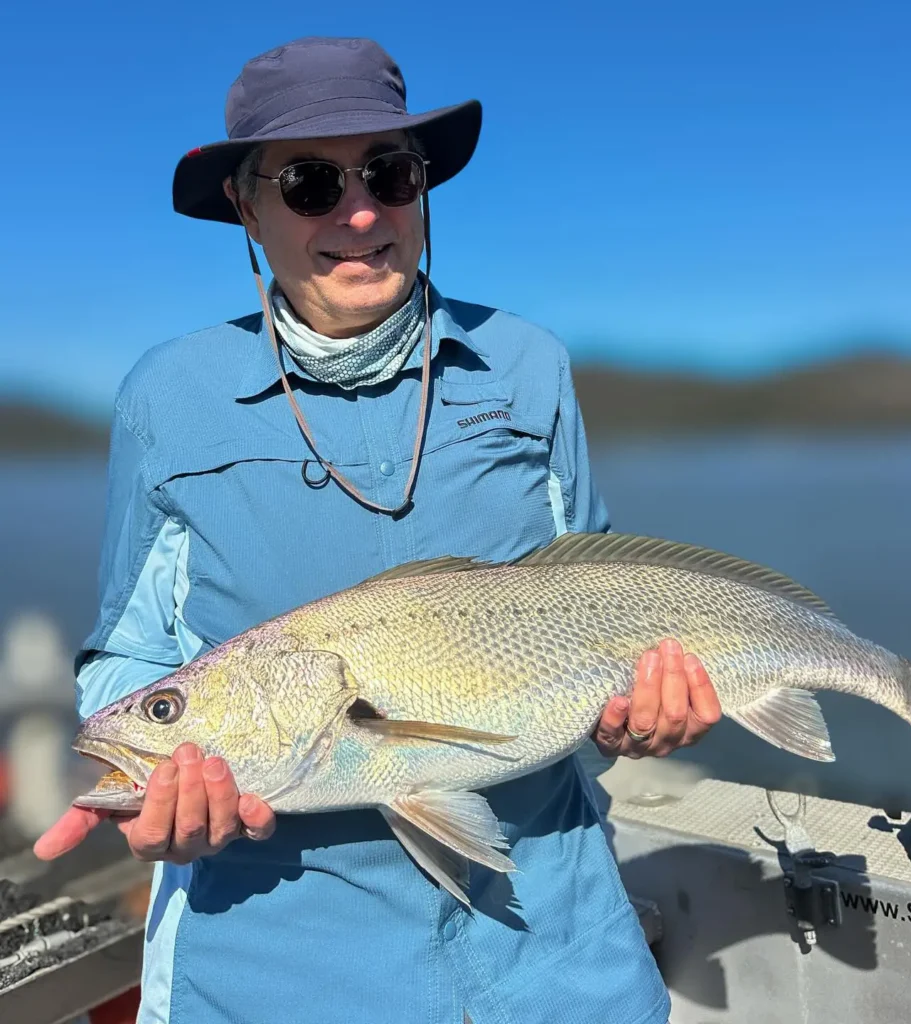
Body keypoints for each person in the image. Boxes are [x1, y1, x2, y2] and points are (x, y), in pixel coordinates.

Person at [35, 36, 722, 1024]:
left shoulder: (527, 364)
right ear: (246, 204)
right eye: (311, 183)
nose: (360, 213)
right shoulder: (168, 396)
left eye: (391, 173)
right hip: (279, 966)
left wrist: (642, 711)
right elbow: (129, 652)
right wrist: (160, 781)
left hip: (558, 953)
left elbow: (595, 594)